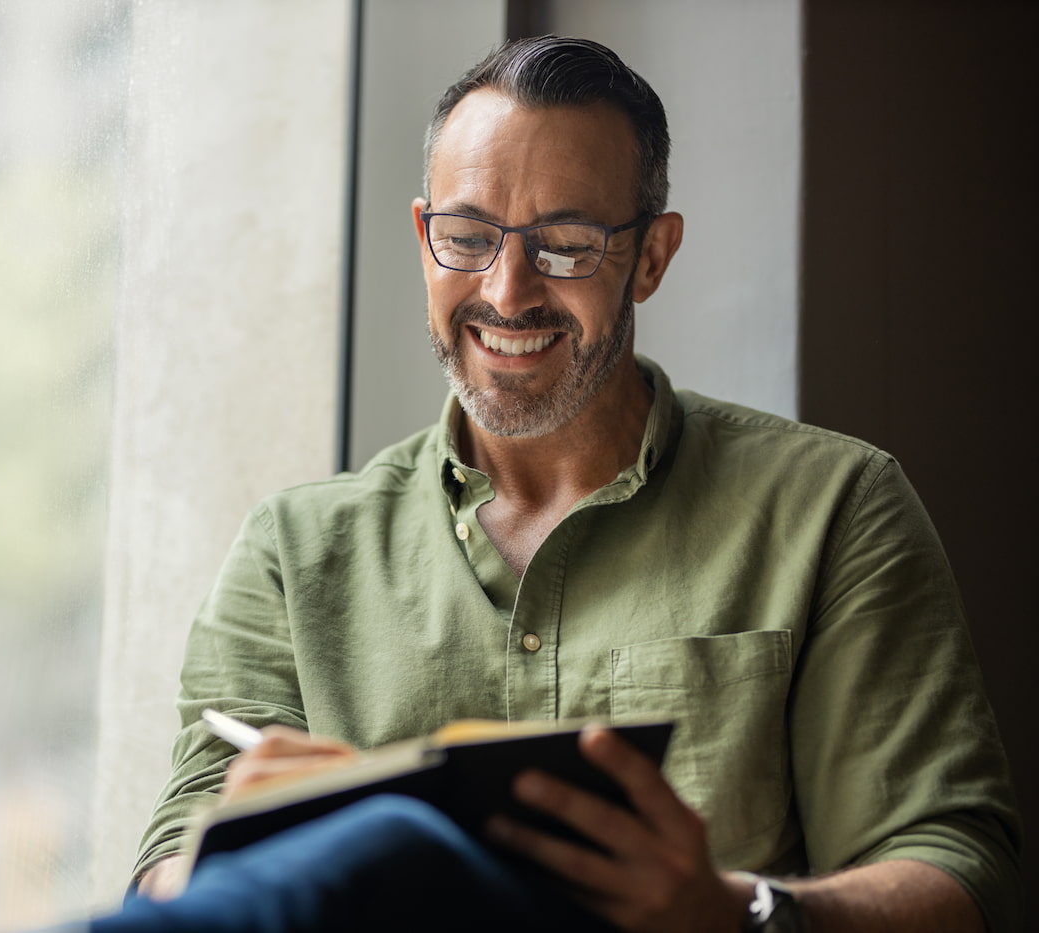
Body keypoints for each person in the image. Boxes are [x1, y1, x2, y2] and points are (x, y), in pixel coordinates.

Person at [126, 36, 1021, 932]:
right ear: (422, 239)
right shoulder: (292, 551)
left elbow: (960, 871)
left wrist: (734, 911)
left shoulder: (834, 506)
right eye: (468, 237)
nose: (508, 292)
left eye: (565, 245)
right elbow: (165, 871)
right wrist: (267, 844)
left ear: (652, 257)